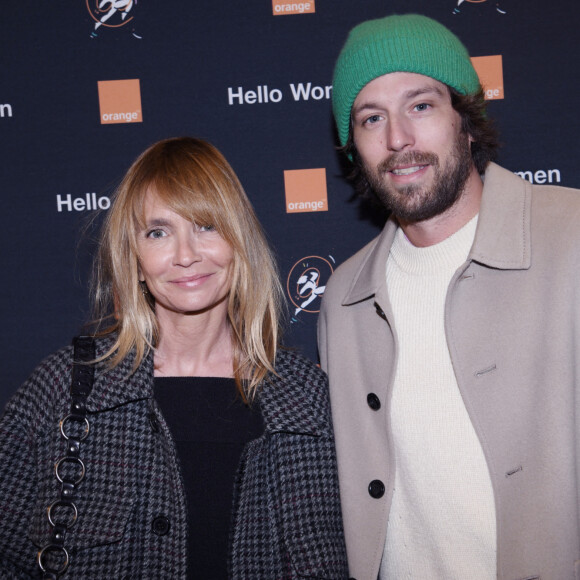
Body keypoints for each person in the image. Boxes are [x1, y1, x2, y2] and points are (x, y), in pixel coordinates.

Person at [0, 137, 348, 579]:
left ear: (239, 240)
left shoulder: (309, 397)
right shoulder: (63, 390)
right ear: (134, 255)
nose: (186, 256)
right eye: (158, 232)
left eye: (206, 225)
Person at [318, 13, 580, 580]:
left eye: (420, 105)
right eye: (371, 118)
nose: (398, 139)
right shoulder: (344, 299)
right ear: (352, 146)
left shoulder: (572, 236)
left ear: (465, 118)